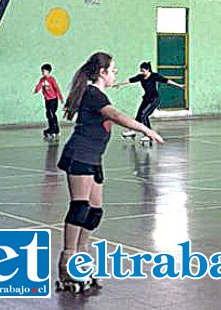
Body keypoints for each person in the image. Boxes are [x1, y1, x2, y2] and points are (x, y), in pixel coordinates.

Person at [54, 52, 163, 293]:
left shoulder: (97, 93)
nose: (116, 73)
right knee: (80, 207)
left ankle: (81, 257)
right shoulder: (93, 94)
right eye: (113, 70)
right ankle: (67, 260)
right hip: (80, 155)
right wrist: (145, 129)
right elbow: (115, 115)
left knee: (94, 212)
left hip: (93, 158)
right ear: (102, 72)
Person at [113, 61, 184, 142]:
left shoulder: (154, 76)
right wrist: (118, 84)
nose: (142, 72)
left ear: (148, 70)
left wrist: (179, 85)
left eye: (143, 71)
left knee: (144, 115)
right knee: (139, 115)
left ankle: (149, 134)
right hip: (146, 99)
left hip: (154, 99)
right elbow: (130, 80)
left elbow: (166, 80)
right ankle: (132, 131)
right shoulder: (140, 77)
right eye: (141, 70)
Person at [34, 63, 64, 139]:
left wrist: (61, 98)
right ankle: (53, 128)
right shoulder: (42, 80)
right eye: (42, 71)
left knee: (51, 114)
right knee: (49, 114)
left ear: (48, 71)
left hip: (53, 99)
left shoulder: (51, 79)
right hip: (47, 99)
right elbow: (39, 87)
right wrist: (36, 89)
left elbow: (57, 88)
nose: (42, 73)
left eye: (44, 71)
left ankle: (54, 130)